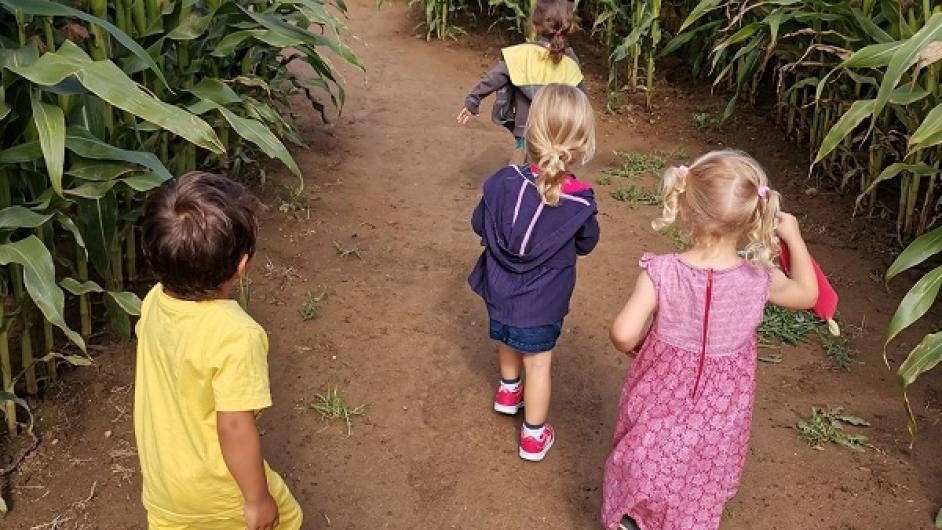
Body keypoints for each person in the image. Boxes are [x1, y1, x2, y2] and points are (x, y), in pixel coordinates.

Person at [600, 150, 818, 530]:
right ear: (754, 219)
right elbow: (808, 294)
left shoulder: (662, 272)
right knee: (701, 471)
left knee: (646, 453)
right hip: (721, 410)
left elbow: (622, 333)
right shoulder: (760, 280)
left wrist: (636, 345)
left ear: (684, 210)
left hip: (661, 393)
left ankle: (635, 517)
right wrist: (794, 238)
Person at [134, 172, 302, 530]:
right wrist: (256, 499)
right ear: (242, 265)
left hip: (164, 484)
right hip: (214, 489)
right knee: (287, 519)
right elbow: (235, 426)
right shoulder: (237, 335)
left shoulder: (152, 302)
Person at [469, 84, 599, 462]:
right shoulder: (580, 199)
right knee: (538, 363)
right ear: (581, 143)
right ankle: (533, 436)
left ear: (531, 130)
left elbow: (479, 223)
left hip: (499, 290)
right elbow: (586, 244)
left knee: (507, 337)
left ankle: (509, 392)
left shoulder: (502, 181)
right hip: (544, 301)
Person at [457, 0, 586, 161]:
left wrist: (473, 100)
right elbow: (581, 100)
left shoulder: (519, 55)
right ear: (568, 27)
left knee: (519, 171)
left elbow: (493, 78)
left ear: (534, 26)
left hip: (524, 130)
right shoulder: (571, 62)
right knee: (551, 170)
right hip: (556, 133)